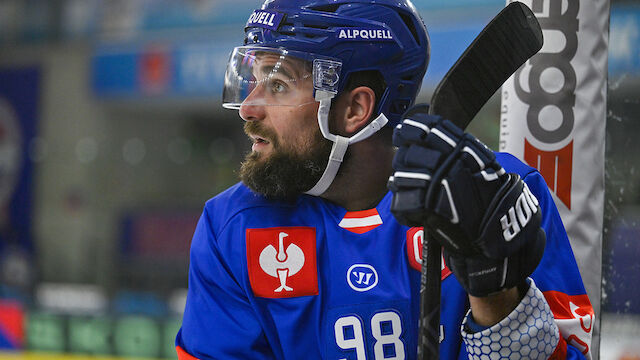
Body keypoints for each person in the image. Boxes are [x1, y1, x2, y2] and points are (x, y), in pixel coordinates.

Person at [175, 0, 595, 359]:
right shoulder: (230, 226)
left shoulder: (496, 191)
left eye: (278, 85)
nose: (249, 107)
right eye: (253, 80)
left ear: (355, 109)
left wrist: (495, 294)